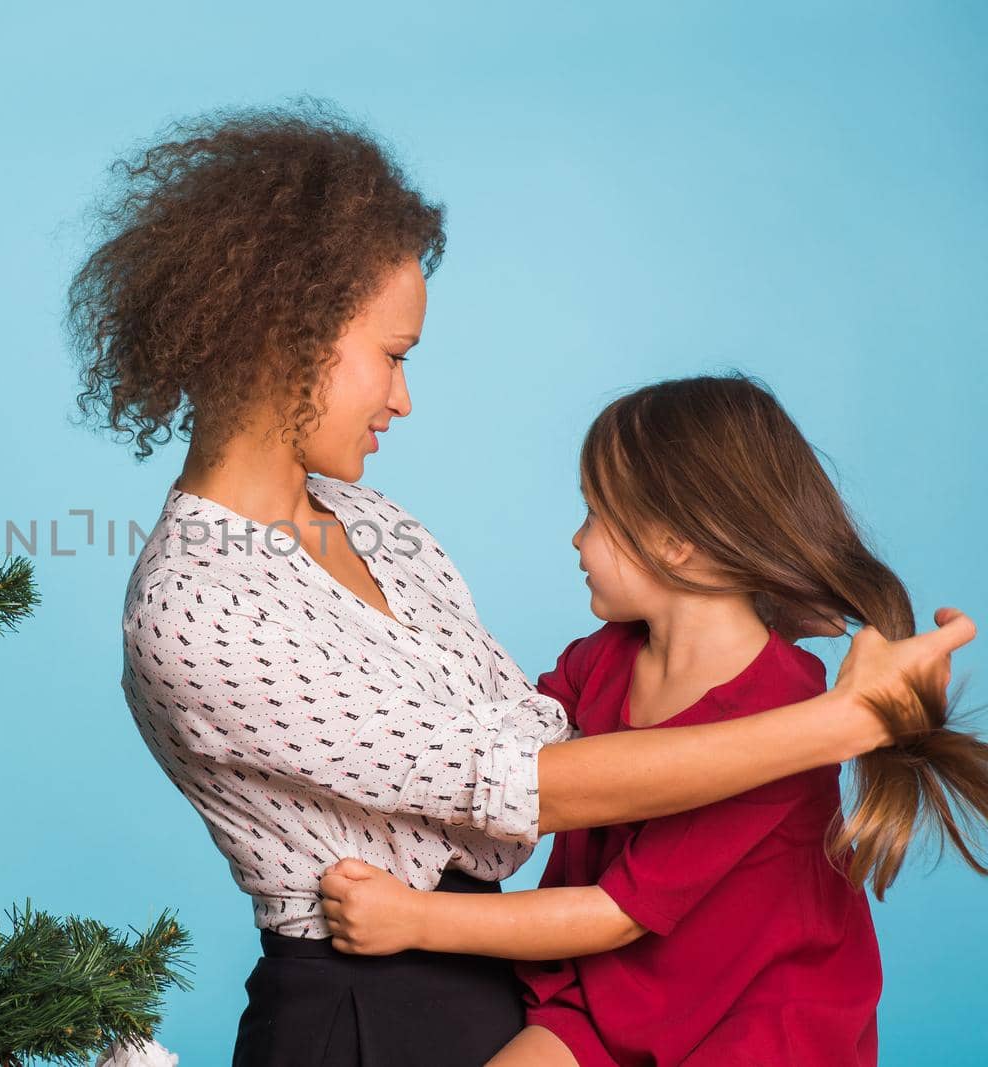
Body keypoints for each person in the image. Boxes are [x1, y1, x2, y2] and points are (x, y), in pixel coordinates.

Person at [68, 101, 976, 1066]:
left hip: (505, 974)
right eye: (393, 356)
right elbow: (518, 782)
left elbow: (539, 734)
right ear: (281, 335)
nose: (403, 399)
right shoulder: (192, 605)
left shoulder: (378, 523)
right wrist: (844, 724)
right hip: (360, 1007)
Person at [317, 375, 988, 1066]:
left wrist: (414, 919)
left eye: (594, 513)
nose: (576, 538)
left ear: (673, 540)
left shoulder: (780, 717)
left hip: (754, 1023)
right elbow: (505, 753)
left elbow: (614, 913)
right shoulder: (602, 659)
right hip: (614, 994)